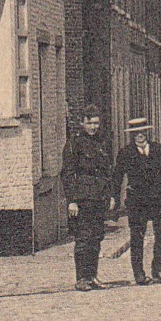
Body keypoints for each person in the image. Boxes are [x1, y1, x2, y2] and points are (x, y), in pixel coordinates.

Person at [113, 119, 161, 285]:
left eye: (142, 132)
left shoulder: (157, 150)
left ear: (147, 133)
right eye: (136, 133)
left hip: (158, 199)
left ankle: (158, 269)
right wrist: (114, 199)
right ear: (132, 135)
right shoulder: (126, 153)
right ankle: (139, 274)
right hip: (137, 201)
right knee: (137, 237)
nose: (140, 135)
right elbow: (117, 178)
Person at [60, 106, 113, 292]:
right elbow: (67, 174)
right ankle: (81, 278)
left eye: (96, 123)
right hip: (82, 199)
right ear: (82, 122)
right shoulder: (74, 144)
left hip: (98, 197)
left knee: (96, 238)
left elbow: (108, 171)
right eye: (89, 122)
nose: (93, 126)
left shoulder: (102, 142)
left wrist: (110, 195)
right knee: (83, 238)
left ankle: (93, 276)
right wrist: (72, 200)